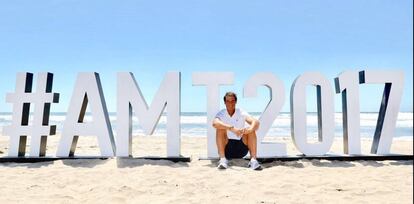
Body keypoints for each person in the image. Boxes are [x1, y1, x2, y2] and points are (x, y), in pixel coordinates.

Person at [212, 92, 262, 170]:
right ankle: (223, 160)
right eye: (228, 101)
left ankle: (253, 161)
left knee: (251, 129)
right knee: (220, 128)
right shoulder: (222, 113)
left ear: (235, 102)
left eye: (232, 101)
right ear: (225, 102)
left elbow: (256, 122)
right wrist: (231, 128)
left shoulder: (241, 112)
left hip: (241, 147)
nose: (230, 103)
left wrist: (250, 129)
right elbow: (215, 123)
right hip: (227, 149)